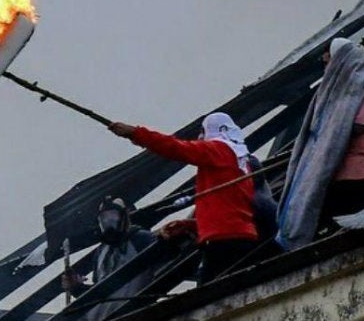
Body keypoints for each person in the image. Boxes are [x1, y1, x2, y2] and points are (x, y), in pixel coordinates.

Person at [108, 113, 258, 284]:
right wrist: (193, 225)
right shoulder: (241, 163)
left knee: (210, 296)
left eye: (203, 131)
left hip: (222, 240)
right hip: (241, 236)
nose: (200, 137)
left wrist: (135, 133)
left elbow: (176, 148)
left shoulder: (218, 150)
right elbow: (227, 209)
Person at [276, 38, 364, 251]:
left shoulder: (362, 84)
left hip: (356, 172)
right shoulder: (342, 87)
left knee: (347, 227)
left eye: (329, 60)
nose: (327, 65)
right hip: (339, 173)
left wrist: (328, 135)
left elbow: (358, 124)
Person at [61, 196, 155, 319]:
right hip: (102, 316)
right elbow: (101, 293)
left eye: (112, 215)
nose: (107, 221)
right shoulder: (100, 253)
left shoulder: (140, 239)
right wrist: (76, 287)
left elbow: (166, 263)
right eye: (103, 217)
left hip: (131, 312)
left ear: (123, 218)